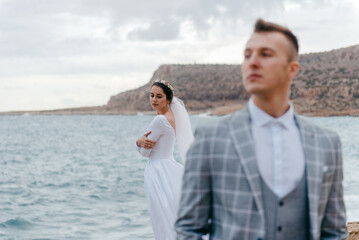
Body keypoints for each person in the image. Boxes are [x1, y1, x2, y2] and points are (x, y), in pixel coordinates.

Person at [175, 19, 347, 240]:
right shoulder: (210, 138)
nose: (252, 62)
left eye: (265, 54)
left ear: (292, 69)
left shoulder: (327, 143)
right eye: (247, 55)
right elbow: (188, 228)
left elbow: (334, 231)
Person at [136, 79, 194, 240]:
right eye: (152, 95)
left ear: (168, 99)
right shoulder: (172, 116)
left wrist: (138, 141)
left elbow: (144, 153)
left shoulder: (159, 121)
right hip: (168, 167)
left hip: (157, 172)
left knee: (161, 217)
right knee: (170, 213)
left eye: (159, 96)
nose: (154, 100)